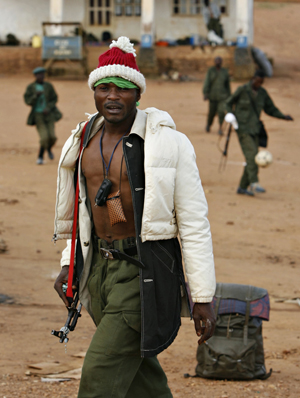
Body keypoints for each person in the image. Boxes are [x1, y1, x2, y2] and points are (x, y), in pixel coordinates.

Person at [53, 36, 216, 398]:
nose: (113, 96)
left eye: (123, 88)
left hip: (143, 271)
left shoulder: (168, 144)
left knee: (100, 371)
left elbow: (193, 222)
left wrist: (201, 295)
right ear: (94, 91)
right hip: (99, 270)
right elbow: (79, 208)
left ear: (138, 94)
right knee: (141, 374)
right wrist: (71, 264)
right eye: (104, 87)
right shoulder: (81, 140)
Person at [225, 69, 293, 196]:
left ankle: (242, 187)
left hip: (255, 129)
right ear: (253, 78)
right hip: (243, 129)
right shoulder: (242, 90)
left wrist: (283, 116)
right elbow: (228, 103)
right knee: (252, 155)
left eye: (261, 82)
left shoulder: (262, 93)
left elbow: (270, 109)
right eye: (257, 81)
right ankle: (254, 182)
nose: (259, 84)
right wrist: (230, 115)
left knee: (252, 157)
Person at [24, 67, 62, 165]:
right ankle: (40, 156)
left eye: (43, 74)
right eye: (39, 75)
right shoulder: (31, 87)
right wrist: (35, 96)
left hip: (49, 115)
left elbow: (54, 98)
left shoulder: (48, 86)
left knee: (52, 137)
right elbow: (27, 101)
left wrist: (48, 108)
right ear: (35, 76)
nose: (41, 76)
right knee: (44, 137)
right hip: (38, 115)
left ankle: (48, 148)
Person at [203, 56, 231, 135]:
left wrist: (230, 97)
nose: (218, 62)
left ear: (221, 62)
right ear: (214, 62)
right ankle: (209, 124)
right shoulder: (211, 71)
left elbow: (227, 85)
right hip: (213, 96)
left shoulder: (225, 72)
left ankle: (220, 128)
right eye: (216, 61)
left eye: (219, 61)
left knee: (221, 112)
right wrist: (206, 93)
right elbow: (207, 82)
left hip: (222, 96)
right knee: (211, 113)